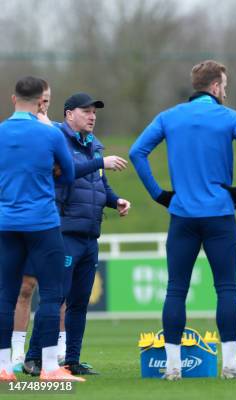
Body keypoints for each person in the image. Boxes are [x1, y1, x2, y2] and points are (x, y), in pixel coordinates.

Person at [130, 60, 236, 380]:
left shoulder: (169, 116)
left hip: (182, 215)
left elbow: (137, 152)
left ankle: (173, 367)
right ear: (217, 86)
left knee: (175, 289)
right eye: (225, 85)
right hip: (220, 214)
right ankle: (230, 365)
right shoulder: (229, 117)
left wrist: (159, 194)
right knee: (227, 289)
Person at [23, 93, 130, 377]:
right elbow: (63, 175)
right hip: (64, 231)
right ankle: (33, 358)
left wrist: (116, 200)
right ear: (69, 114)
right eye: (86, 111)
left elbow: (100, 186)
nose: (92, 116)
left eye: (94, 112)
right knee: (55, 297)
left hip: (89, 234)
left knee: (80, 302)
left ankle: (71, 359)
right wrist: (99, 163)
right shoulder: (56, 141)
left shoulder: (94, 146)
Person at [0, 76, 80, 382]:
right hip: (43, 223)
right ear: (40, 102)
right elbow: (69, 174)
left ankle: (4, 367)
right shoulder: (50, 134)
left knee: (5, 294)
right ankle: (49, 368)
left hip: (6, 223)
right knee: (50, 294)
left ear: (13, 99)